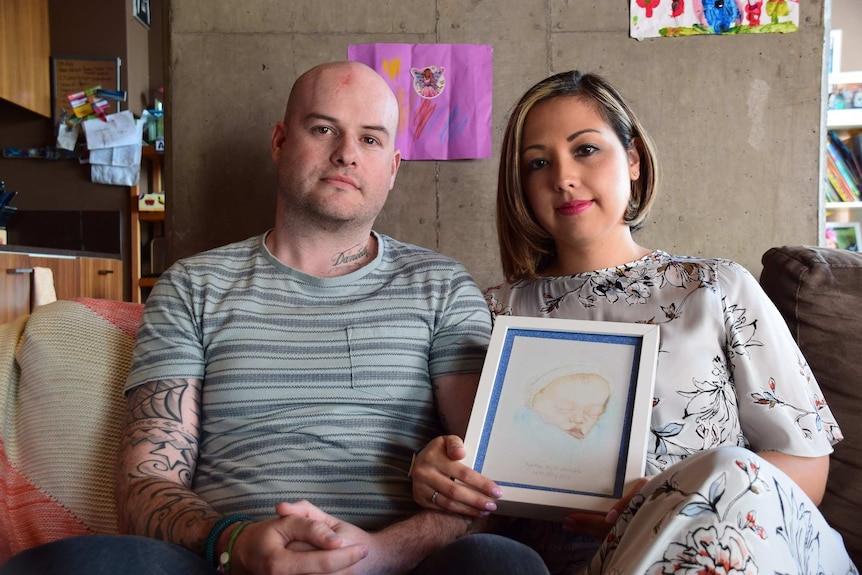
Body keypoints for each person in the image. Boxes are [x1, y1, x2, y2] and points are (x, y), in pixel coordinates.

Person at [0, 61, 549, 575]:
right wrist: (235, 542)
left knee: (502, 561)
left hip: (401, 564)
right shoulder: (193, 285)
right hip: (227, 558)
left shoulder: (442, 286)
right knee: (78, 564)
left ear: (393, 168)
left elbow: (489, 486)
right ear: (280, 142)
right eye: (323, 129)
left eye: (371, 139)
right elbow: (147, 482)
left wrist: (378, 555)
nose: (346, 154)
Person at [408, 70, 857, 574]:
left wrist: (669, 502)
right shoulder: (492, 314)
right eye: (538, 163)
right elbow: (480, 481)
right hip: (574, 562)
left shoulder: (714, 287)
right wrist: (436, 473)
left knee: (730, 470)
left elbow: (804, 467)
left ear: (635, 160)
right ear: (524, 188)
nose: (562, 177)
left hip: (730, 545)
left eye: (585, 150)